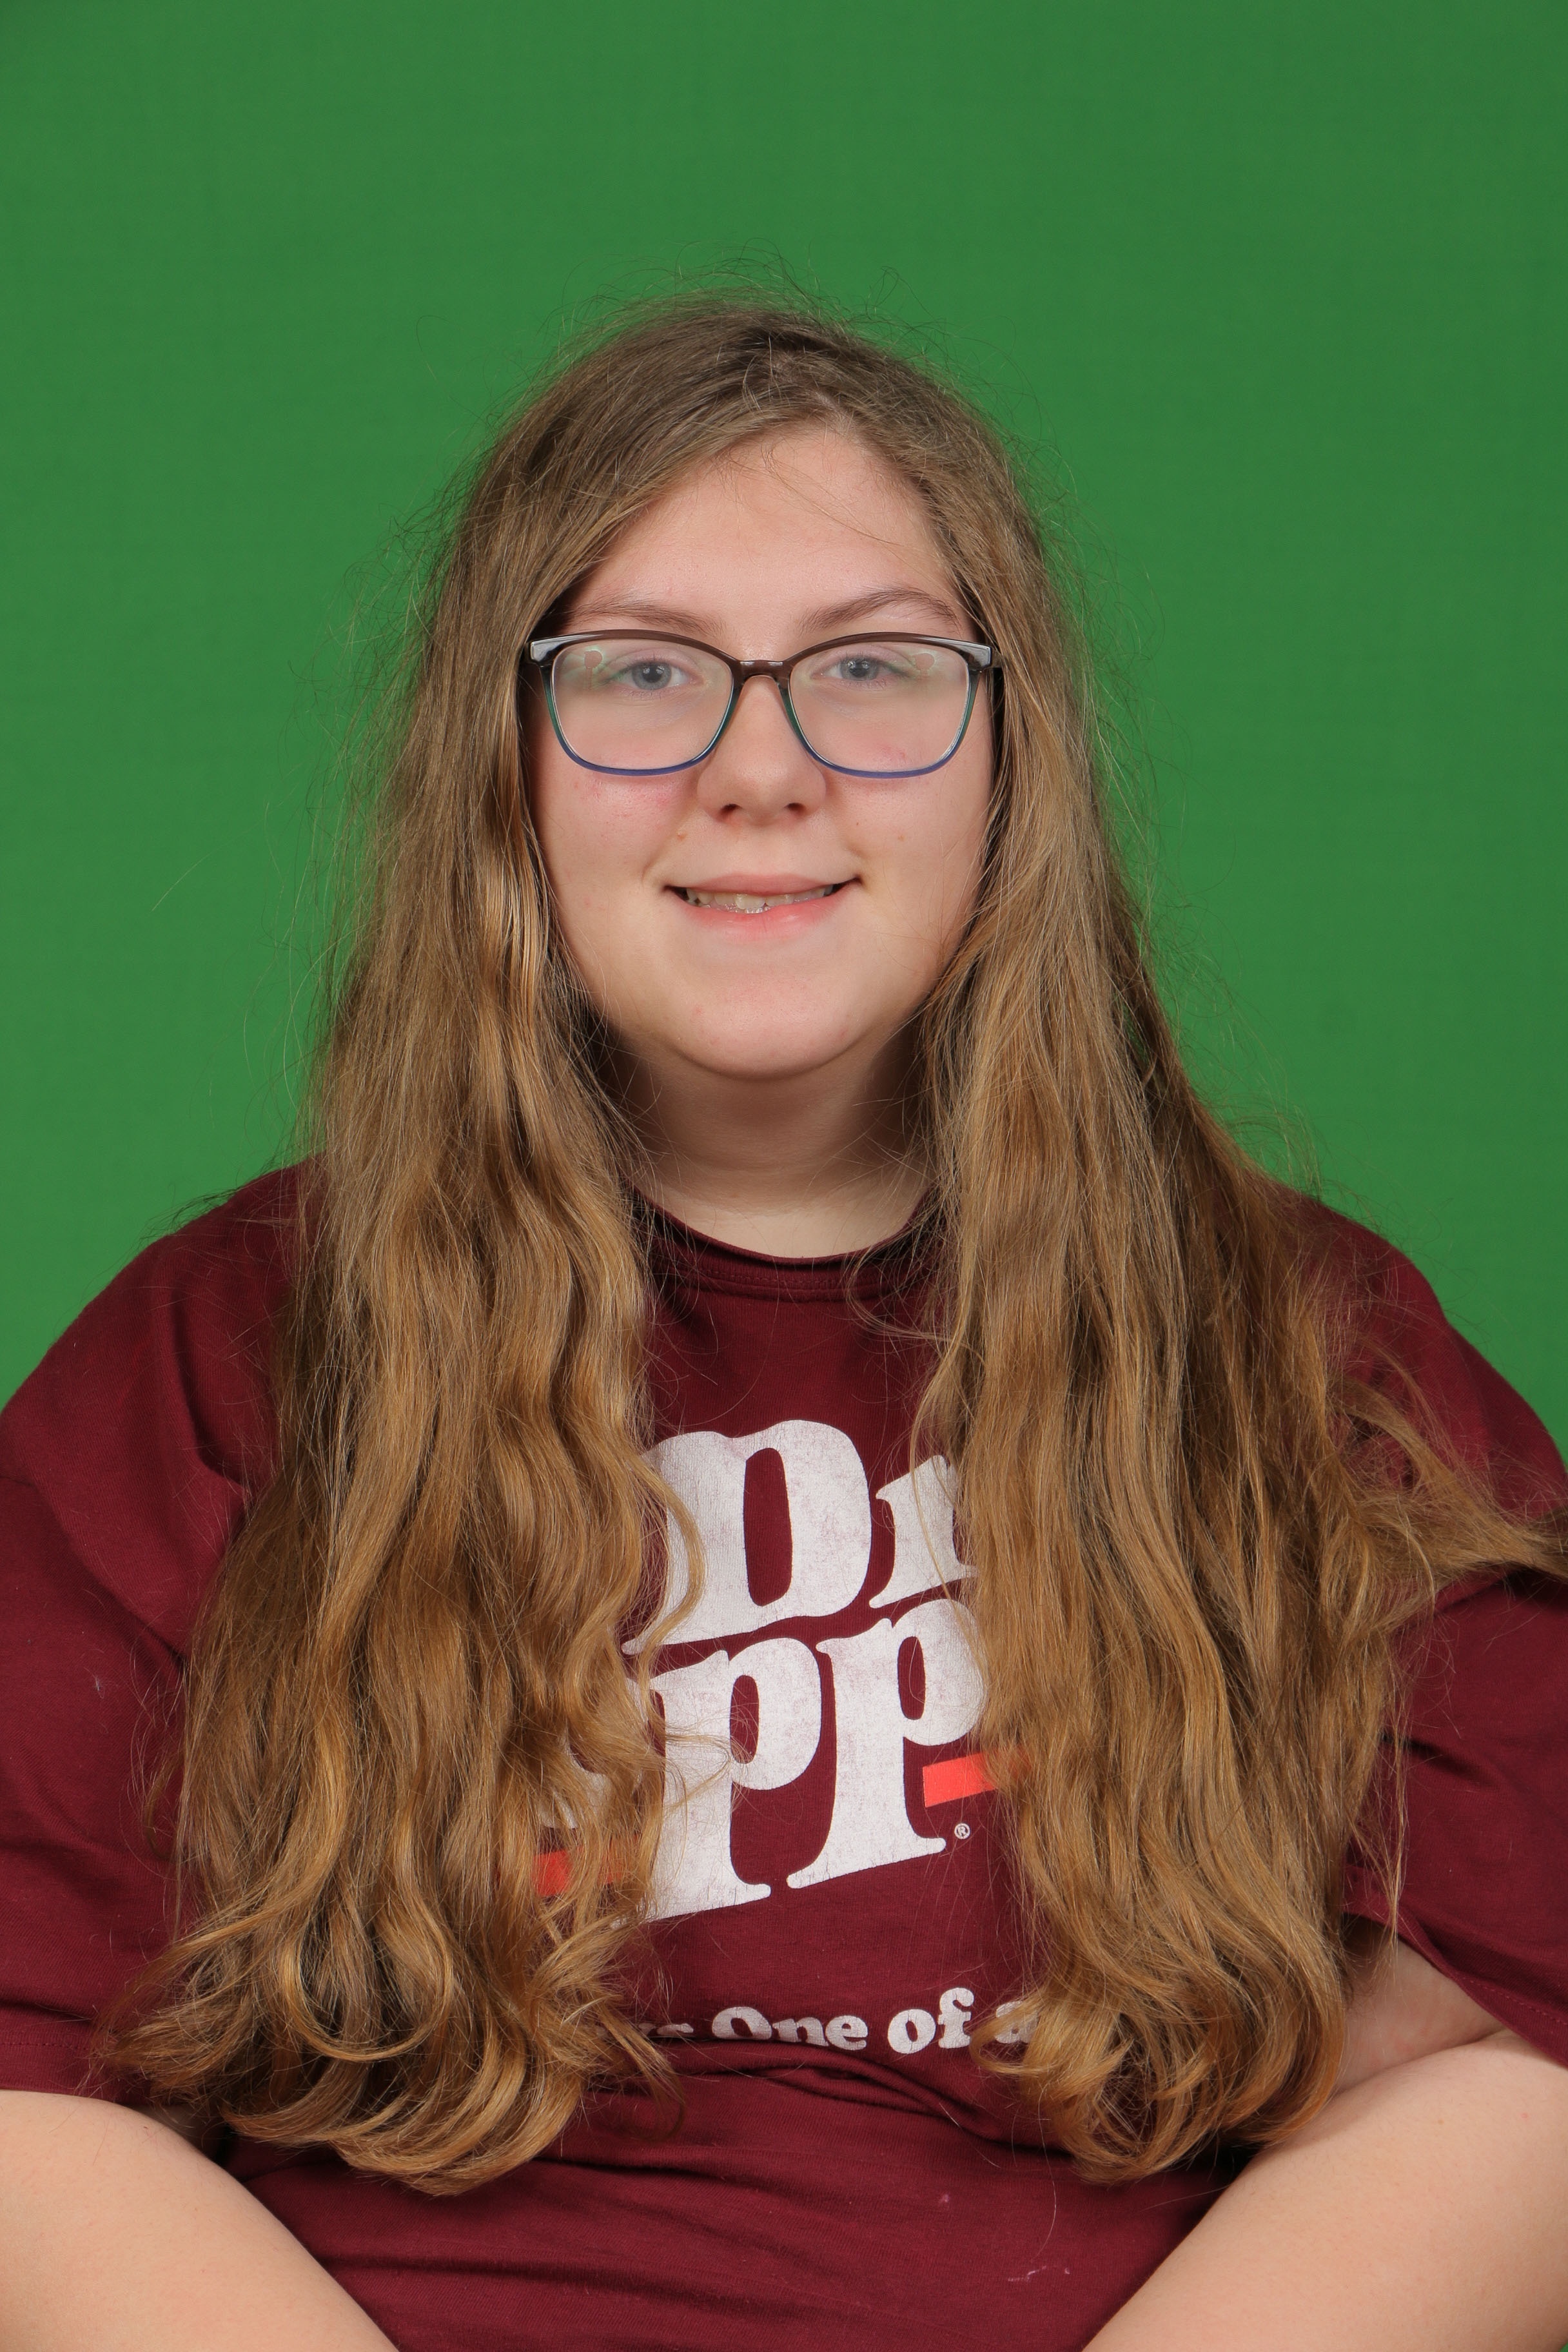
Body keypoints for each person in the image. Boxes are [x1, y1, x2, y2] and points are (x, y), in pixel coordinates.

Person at [1, 297, 1565, 2352]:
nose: (762, 769)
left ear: (1011, 759)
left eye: (873, 668)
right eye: (643, 673)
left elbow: (1517, 2026)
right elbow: (26, 2102)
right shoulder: (219, 1359)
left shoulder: (1305, 1356)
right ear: (503, 767)